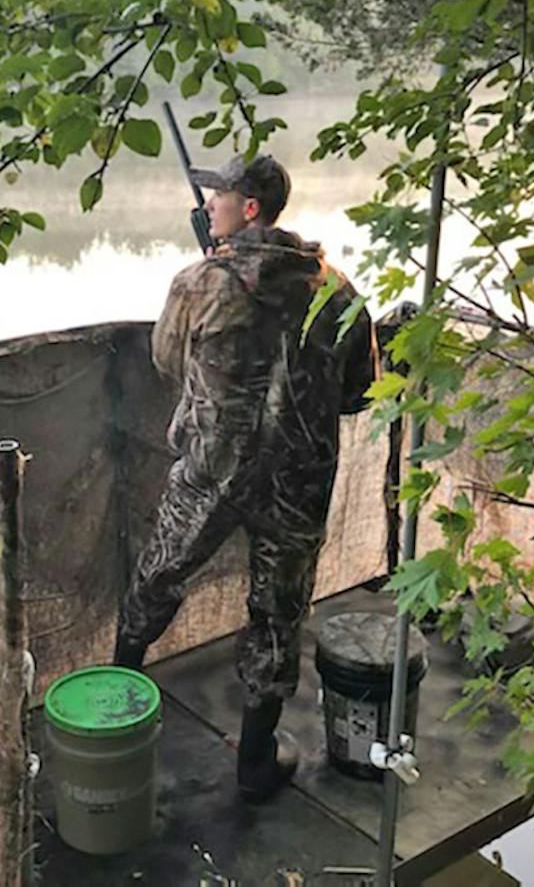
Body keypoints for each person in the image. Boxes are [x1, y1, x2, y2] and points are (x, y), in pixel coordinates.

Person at [113, 152, 376, 802]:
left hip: (212, 471)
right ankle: (255, 762)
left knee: (159, 576)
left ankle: (115, 712)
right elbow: (359, 393)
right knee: (278, 614)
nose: (208, 207)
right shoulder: (338, 288)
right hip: (300, 481)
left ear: (248, 208)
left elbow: (168, 361)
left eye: (218, 198)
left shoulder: (199, 282)